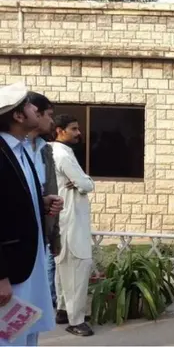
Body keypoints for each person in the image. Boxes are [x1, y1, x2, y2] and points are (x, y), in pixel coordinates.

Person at [0, 82, 62, 346]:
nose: (35, 109)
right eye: (28, 105)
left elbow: (15, 200)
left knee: (28, 333)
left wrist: (41, 202)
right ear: (17, 115)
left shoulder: (21, 150)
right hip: (12, 272)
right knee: (9, 338)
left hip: (30, 265)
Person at [50, 114, 95, 337]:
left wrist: (82, 181)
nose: (79, 133)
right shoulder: (61, 154)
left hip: (65, 219)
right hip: (70, 221)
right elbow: (86, 184)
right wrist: (85, 181)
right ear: (60, 130)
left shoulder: (59, 152)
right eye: (74, 129)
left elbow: (82, 182)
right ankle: (76, 320)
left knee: (63, 267)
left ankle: (62, 310)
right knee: (78, 265)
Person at [23, 92, 60, 309]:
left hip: (39, 231)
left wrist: (54, 233)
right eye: (47, 114)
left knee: (33, 309)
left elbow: (49, 189)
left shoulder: (45, 150)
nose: (51, 120)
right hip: (16, 239)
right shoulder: (11, 148)